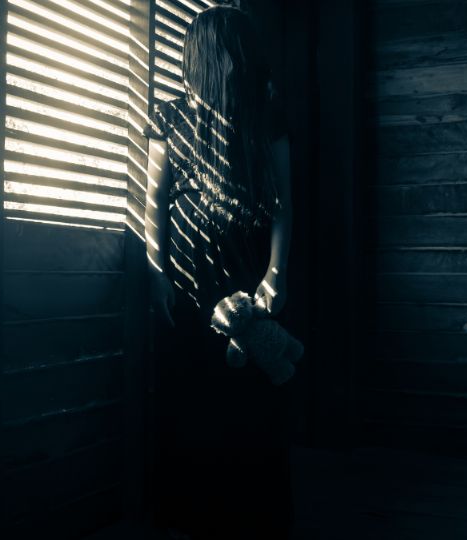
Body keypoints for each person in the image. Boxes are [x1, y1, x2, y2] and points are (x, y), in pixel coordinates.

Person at [143, 6, 294, 540]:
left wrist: (275, 273)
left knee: (250, 392)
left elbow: (283, 204)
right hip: (187, 280)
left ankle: (252, 518)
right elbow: (155, 198)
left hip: (248, 275)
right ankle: (190, 518)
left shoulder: (265, 116)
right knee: (192, 393)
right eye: (236, 49)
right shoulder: (171, 116)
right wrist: (155, 271)